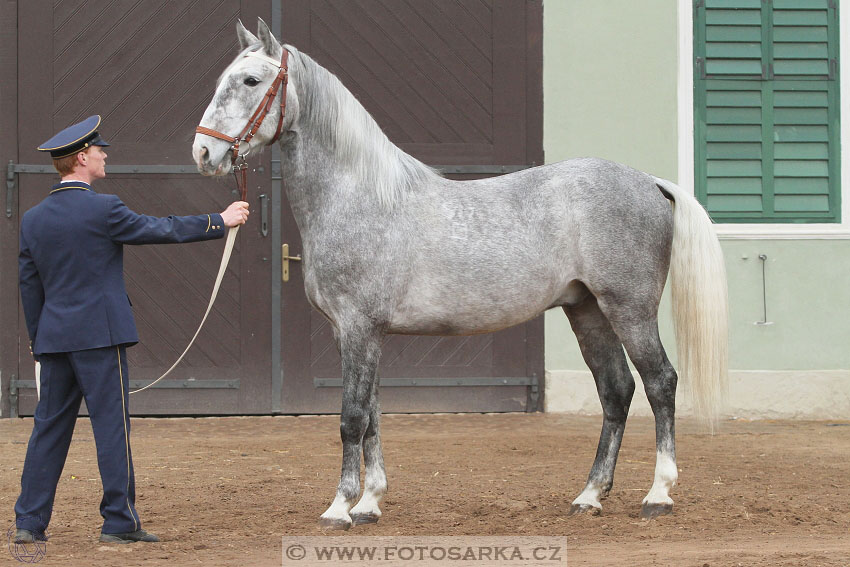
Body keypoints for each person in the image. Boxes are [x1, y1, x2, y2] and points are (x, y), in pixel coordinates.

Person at [14, 115, 249, 544]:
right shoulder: (104, 208)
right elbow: (160, 229)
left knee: (47, 431)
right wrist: (219, 220)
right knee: (111, 429)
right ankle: (119, 524)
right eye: (99, 150)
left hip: (54, 341)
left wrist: (38, 341)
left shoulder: (33, 218)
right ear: (82, 158)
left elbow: (30, 287)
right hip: (101, 339)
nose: (105, 154)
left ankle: (29, 524)